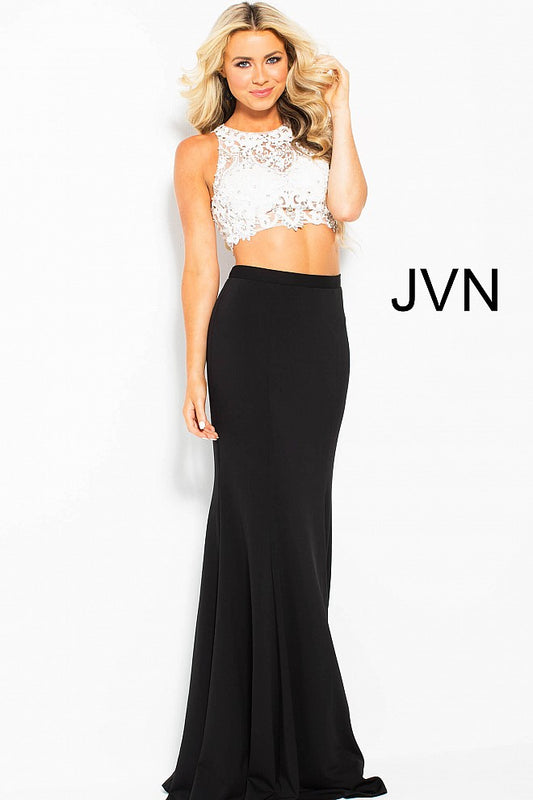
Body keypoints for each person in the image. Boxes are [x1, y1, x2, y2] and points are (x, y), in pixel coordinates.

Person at [162, 3, 387, 799]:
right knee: (265, 527)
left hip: (319, 333)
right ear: (221, 73)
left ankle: (300, 743)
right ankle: (268, 749)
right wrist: (194, 371)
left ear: (290, 65)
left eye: (271, 60)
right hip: (249, 329)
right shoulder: (200, 151)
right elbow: (200, 266)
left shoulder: (314, 136)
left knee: (302, 526)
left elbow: (348, 206)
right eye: (242, 63)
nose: (258, 76)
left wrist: (342, 105)